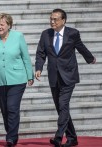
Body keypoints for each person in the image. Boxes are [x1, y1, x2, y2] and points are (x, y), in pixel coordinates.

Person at [35, 9, 96, 147]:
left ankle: (58, 137)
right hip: (53, 76)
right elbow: (40, 53)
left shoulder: (72, 33)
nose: (52, 21)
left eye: (55, 19)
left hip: (69, 76)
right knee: (61, 108)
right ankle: (72, 137)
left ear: (63, 20)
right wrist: (38, 68)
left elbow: (81, 47)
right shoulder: (45, 34)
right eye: (51, 18)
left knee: (63, 105)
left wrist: (90, 58)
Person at [0, 13, 34, 147]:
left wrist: (30, 75)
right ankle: (12, 134)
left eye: (2, 24)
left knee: (12, 107)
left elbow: (25, 57)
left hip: (17, 78)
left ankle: (10, 138)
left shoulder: (18, 36)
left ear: (9, 25)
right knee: (5, 109)